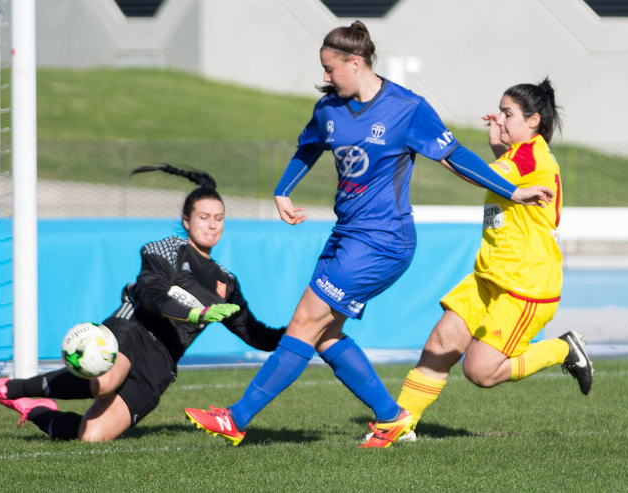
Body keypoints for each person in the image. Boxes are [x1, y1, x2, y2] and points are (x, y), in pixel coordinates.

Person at [184, 21, 555, 448]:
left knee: (305, 321)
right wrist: (283, 190)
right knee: (324, 335)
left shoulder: (406, 107)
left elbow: (452, 155)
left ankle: (236, 418)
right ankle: (392, 418)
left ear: (355, 63)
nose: (325, 76)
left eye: (330, 68)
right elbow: (309, 146)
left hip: (384, 240)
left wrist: (512, 190)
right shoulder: (329, 108)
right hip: (346, 234)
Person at [0, 164, 286, 442]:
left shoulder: (227, 282)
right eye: (204, 217)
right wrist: (196, 313)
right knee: (105, 382)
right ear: (187, 220)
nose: (212, 225)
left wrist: (300, 334)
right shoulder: (166, 249)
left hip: (162, 361)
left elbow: (256, 335)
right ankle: (10, 388)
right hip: (134, 328)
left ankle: (33, 409)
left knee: (92, 436)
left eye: (219, 218)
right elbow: (152, 296)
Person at [379, 78, 592, 444]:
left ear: (533, 121)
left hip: (525, 284)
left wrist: (434, 145)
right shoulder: (519, 156)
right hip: (489, 276)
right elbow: (502, 176)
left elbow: (479, 175)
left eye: (508, 114)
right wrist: (497, 144)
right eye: (500, 112)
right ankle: (399, 425)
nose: (501, 119)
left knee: (479, 371)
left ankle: (563, 349)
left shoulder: (530, 156)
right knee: (440, 342)